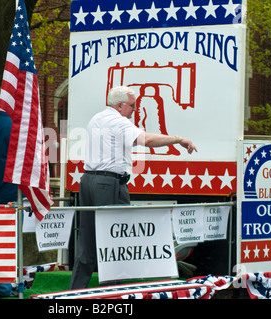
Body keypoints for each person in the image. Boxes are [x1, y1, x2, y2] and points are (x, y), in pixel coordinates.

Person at [69, 86, 198, 289]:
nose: (135, 109)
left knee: (87, 240)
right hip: (108, 183)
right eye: (132, 105)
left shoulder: (97, 119)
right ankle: (112, 292)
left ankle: (75, 292)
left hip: (88, 181)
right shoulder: (118, 122)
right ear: (120, 106)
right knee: (114, 239)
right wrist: (177, 139)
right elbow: (147, 140)